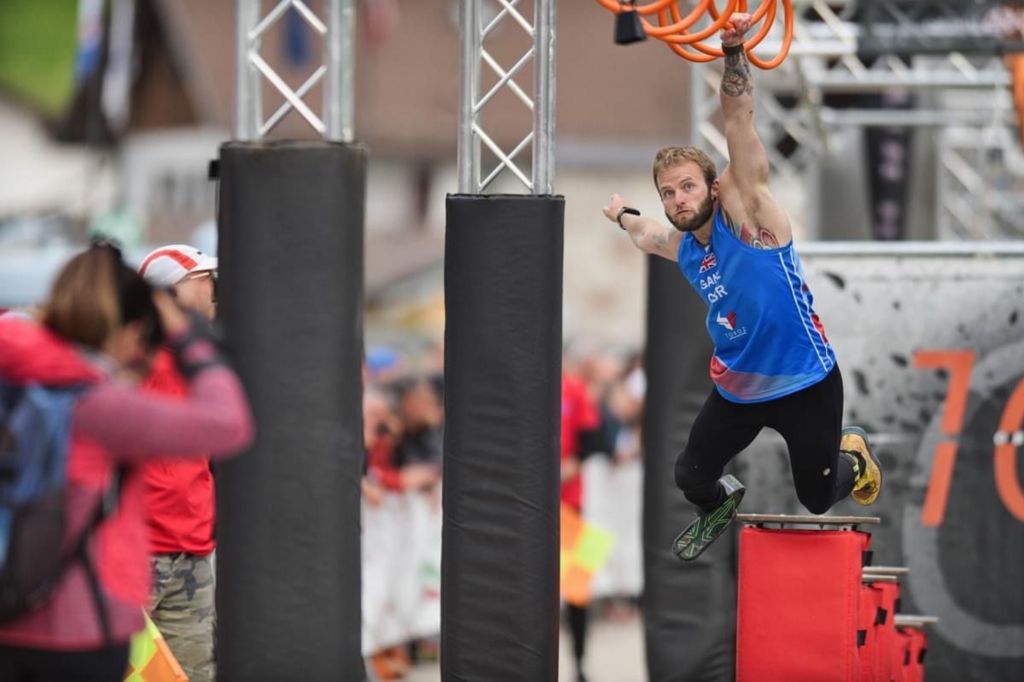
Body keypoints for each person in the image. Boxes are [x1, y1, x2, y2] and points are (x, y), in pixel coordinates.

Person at [601, 14, 882, 561]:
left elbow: (738, 120)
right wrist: (622, 215)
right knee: (690, 476)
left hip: (805, 382)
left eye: (687, 187)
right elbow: (644, 234)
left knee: (818, 497)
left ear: (712, 187)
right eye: (669, 193)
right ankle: (719, 503)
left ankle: (856, 455)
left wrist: (733, 52)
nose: (679, 199)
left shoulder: (752, 217)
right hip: (739, 390)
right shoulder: (682, 245)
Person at [0, 242, 253, 681]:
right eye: (205, 280)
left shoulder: (22, 381)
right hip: (82, 623)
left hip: (16, 615)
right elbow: (229, 424)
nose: (215, 290)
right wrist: (188, 337)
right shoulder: (96, 404)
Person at [136, 244, 220, 682]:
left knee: (190, 675)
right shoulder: (134, 350)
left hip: (191, 547)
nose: (213, 289)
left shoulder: (200, 356)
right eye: (204, 279)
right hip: (137, 549)